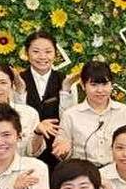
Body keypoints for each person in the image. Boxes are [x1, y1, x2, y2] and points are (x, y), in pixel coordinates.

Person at [53, 61, 126, 167]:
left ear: (112, 84)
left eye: (105, 84)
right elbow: (61, 153)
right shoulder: (70, 115)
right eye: (93, 85)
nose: (100, 90)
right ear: (83, 85)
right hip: (82, 172)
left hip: (117, 171)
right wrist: (63, 151)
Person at [15, 31, 79, 170]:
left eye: (48, 51)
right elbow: (17, 118)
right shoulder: (17, 81)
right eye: (36, 51)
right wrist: (20, 92)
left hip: (57, 151)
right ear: (27, 53)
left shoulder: (66, 81)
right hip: (26, 152)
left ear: (55, 54)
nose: (42, 57)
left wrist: (65, 91)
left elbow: (69, 119)